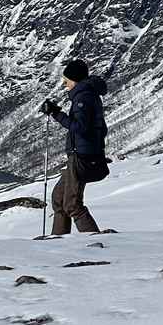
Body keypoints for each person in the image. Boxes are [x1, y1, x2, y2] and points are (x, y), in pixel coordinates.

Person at [39, 59, 109, 235]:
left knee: (72, 204)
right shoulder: (87, 95)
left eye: (66, 80)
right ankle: (59, 240)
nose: (64, 84)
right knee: (58, 198)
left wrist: (56, 113)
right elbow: (101, 127)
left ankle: (94, 239)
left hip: (81, 157)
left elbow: (80, 127)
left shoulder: (83, 98)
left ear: (75, 80)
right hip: (83, 154)